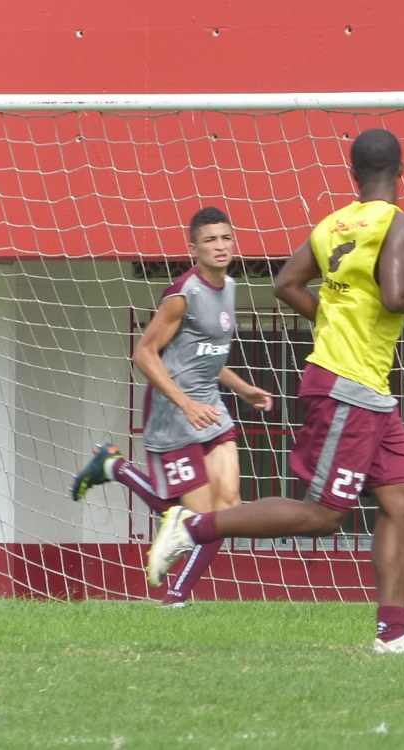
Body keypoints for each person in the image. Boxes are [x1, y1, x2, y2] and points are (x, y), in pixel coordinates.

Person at [145, 128, 404, 654]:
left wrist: (333, 320)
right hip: (346, 384)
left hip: (368, 386)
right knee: (325, 514)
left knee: (401, 499)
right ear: (403, 173)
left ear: (354, 176)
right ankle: (193, 529)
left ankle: (393, 632)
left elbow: (286, 284)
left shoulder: (332, 224)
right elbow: (398, 296)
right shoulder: (399, 222)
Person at [70, 206, 273, 607]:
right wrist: (184, 403)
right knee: (196, 519)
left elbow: (206, 357)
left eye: (225, 238)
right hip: (173, 416)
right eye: (210, 240)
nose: (219, 246)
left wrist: (244, 389)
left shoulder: (229, 287)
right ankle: (114, 466)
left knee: (227, 509)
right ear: (193, 248)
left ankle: (176, 595)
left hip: (211, 408)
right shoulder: (182, 294)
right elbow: (144, 354)